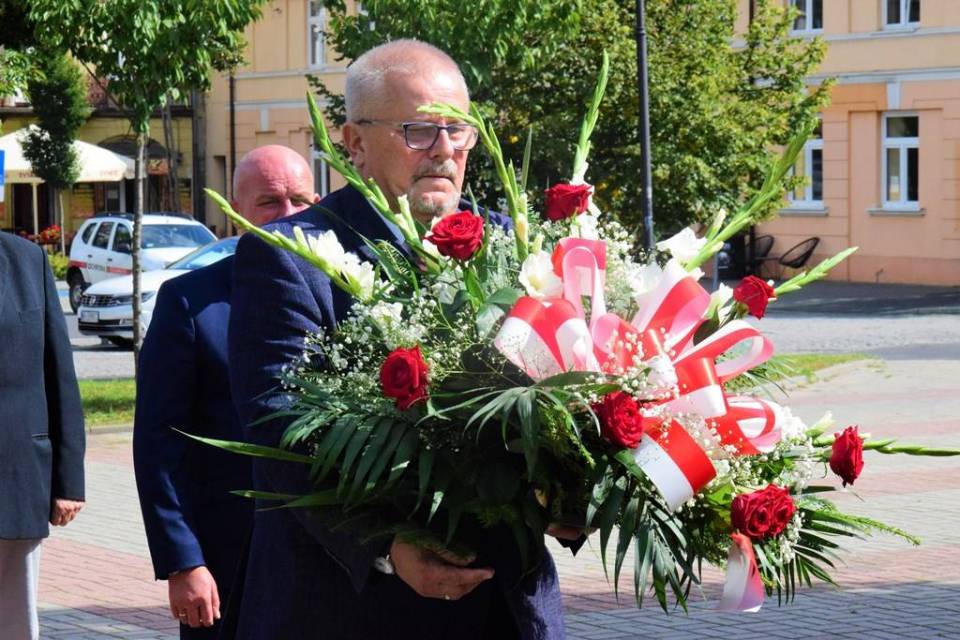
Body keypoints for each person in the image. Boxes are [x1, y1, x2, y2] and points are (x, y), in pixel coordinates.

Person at [227, 40, 572, 639]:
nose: (444, 149)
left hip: (507, 609)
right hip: (355, 609)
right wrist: (386, 546)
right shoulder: (291, 257)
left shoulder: (514, 244)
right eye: (418, 131)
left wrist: (573, 492)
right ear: (354, 142)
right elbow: (280, 432)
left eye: (458, 130)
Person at [133, 145, 320, 638]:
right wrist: (183, 561)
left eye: (300, 200)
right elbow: (158, 445)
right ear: (237, 214)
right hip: (228, 565)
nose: (288, 215)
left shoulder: (349, 294)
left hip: (331, 563)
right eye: (269, 202)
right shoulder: (191, 303)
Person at [0, 231, 85, 640]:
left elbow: (58, 371)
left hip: (14, 481)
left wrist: (69, 482)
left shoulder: (26, 260)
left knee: (14, 625)